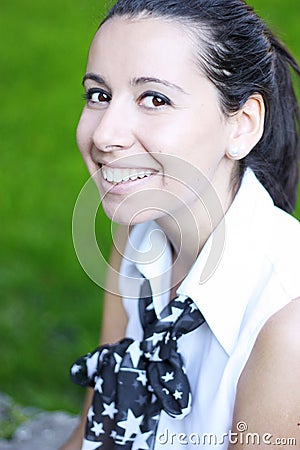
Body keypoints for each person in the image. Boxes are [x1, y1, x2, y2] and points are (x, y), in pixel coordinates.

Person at [61, 0, 300, 449]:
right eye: (99, 94)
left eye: (155, 99)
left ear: (242, 125)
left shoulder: (288, 326)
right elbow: (95, 425)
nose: (105, 134)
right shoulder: (135, 240)